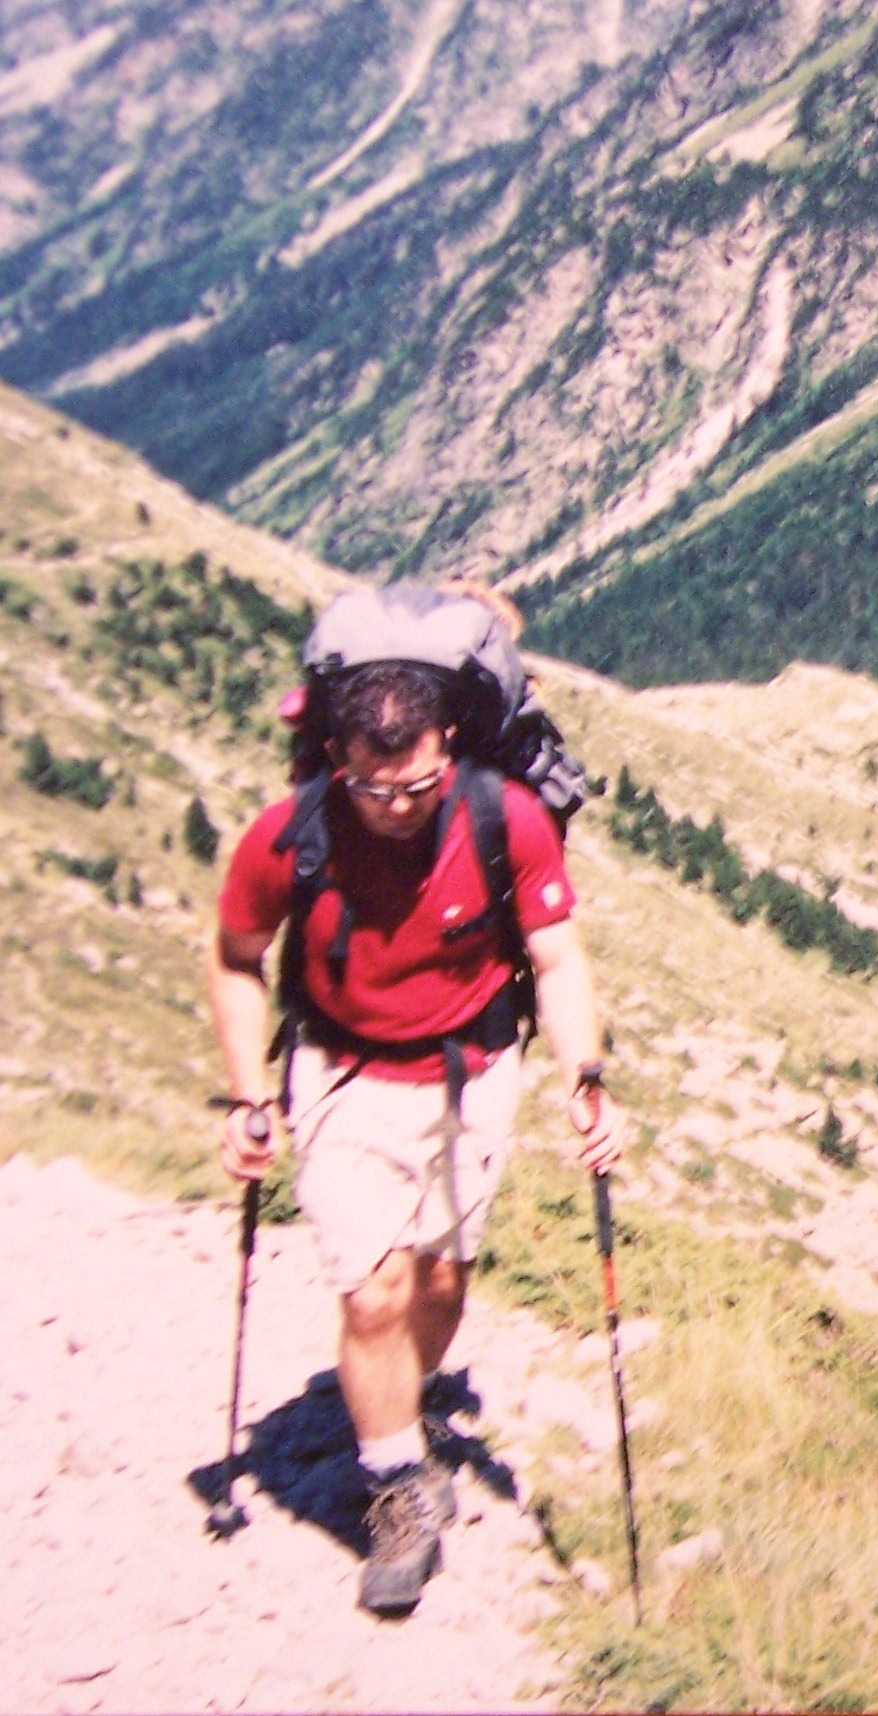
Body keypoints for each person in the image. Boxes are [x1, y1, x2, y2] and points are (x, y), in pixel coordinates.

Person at [207, 656, 627, 1616]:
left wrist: (585, 1076)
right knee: (375, 1290)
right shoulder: (287, 837)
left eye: (419, 784)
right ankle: (396, 1481)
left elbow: (556, 957)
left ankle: (401, 1394)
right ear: (333, 759)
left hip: (471, 1074)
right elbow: (234, 957)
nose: (396, 804)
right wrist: (243, 1099)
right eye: (372, 785)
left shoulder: (502, 818)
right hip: (342, 1074)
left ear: (450, 750)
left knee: (440, 1281)